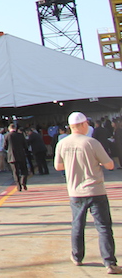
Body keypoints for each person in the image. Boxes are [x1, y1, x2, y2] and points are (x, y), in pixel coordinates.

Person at [54, 112, 121, 273]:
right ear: (84, 125)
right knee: (103, 227)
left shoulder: (62, 144)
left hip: (75, 192)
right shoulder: (92, 143)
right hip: (96, 190)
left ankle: (77, 257)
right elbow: (110, 165)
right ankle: (109, 263)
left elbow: (58, 167)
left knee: (77, 225)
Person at [6, 123, 29, 191]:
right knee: (24, 170)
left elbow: (5, 146)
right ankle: (23, 182)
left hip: (12, 156)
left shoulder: (7, 136)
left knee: (15, 171)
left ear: (9, 129)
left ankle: (18, 185)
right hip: (21, 155)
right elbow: (25, 145)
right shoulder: (20, 135)